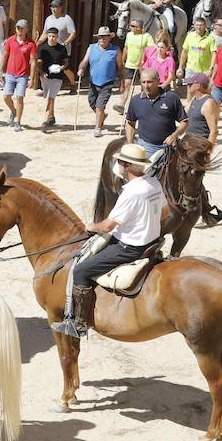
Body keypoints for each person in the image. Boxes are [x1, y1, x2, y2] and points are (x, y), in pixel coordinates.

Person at [51, 143, 167, 338]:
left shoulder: (131, 192)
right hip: (152, 242)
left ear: (127, 165)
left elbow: (107, 227)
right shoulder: (154, 183)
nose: (118, 165)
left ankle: (77, 323)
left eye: (121, 162)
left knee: (80, 270)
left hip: (130, 247)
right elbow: (165, 212)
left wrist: (91, 227)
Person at [125, 68, 188, 156]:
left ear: (158, 81)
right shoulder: (136, 101)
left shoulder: (171, 98)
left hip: (169, 146)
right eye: (143, 82)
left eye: (149, 82)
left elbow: (184, 121)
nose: (146, 86)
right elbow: (130, 123)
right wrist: (130, 144)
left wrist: (175, 135)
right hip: (146, 147)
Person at [77, 27, 121, 138]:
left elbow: (121, 67)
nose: (102, 39)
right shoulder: (91, 48)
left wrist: (123, 82)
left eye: (105, 37)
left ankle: (98, 127)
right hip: (93, 82)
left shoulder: (115, 50)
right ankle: (102, 116)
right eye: (100, 37)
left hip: (107, 83)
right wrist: (81, 69)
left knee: (100, 106)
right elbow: (84, 61)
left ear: (109, 38)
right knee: (92, 103)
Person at [0, 20, 37, 132]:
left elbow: (33, 61)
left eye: (22, 28)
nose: (19, 30)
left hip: (23, 75)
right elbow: (5, 56)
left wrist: (32, 78)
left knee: (19, 98)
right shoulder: (10, 40)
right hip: (10, 73)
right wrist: (0, 71)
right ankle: (14, 111)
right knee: (6, 96)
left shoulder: (31, 44)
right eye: (18, 28)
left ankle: (18, 121)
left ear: (26, 30)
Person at [37, 27, 70, 129]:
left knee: (51, 98)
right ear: (47, 36)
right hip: (45, 77)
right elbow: (39, 63)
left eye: (54, 36)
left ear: (57, 37)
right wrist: (42, 73)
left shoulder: (62, 48)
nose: (52, 38)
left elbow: (66, 63)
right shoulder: (42, 48)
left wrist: (61, 68)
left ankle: (46, 121)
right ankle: (52, 117)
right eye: (50, 36)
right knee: (48, 96)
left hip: (57, 78)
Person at [118, 18, 155, 110]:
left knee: (144, 85)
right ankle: (122, 104)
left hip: (142, 66)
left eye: (133, 26)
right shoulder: (129, 35)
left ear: (139, 28)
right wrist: (123, 59)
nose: (130, 27)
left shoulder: (146, 36)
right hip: (130, 64)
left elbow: (152, 50)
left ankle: (145, 104)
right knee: (127, 84)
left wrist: (144, 59)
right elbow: (126, 48)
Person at [184, 72, 219, 149]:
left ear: (198, 86)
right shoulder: (195, 98)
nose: (188, 86)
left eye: (190, 84)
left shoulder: (208, 103)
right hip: (189, 143)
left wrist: (207, 152)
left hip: (199, 146)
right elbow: (184, 114)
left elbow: (214, 131)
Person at [179, 16, 217, 81]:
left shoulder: (211, 38)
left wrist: (211, 69)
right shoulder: (189, 36)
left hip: (205, 70)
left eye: (201, 25)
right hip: (191, 69)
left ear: (205, 26)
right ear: (194, 26)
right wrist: (180, 67)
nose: (199, 27)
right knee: (190, 90)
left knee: (202, 90)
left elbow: (214, 54)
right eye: (197, 25)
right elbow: (184, 52)